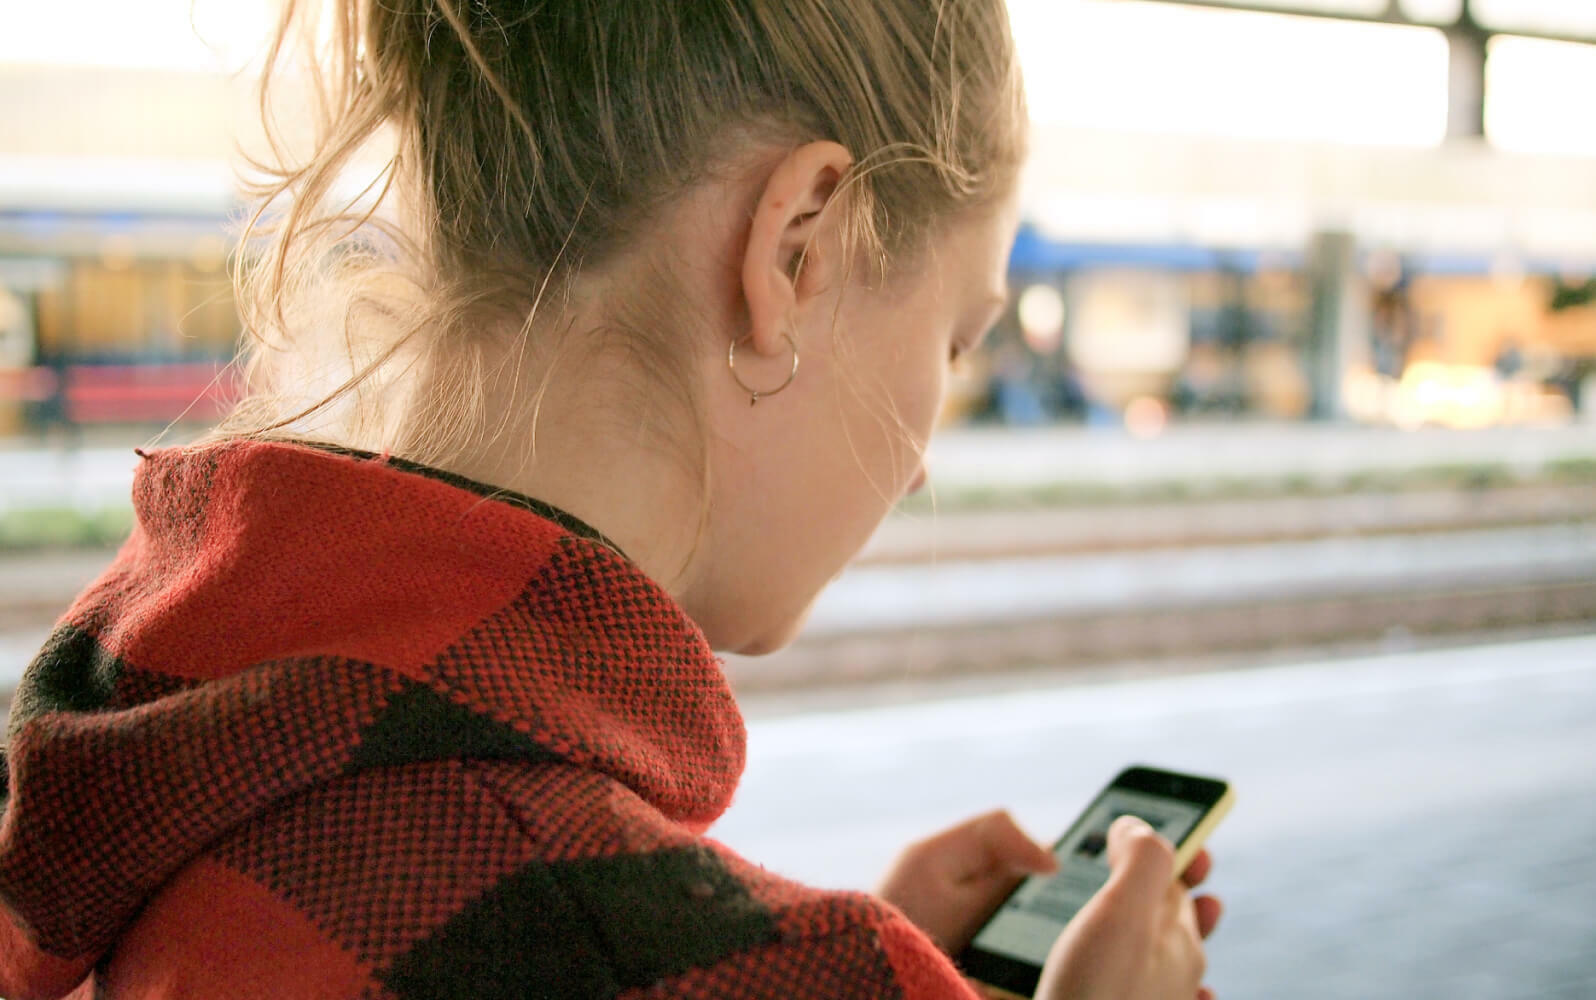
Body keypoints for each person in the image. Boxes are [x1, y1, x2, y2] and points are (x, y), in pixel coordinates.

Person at [0, 2, 1221, 998]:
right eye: (954, 343)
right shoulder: (682, 953)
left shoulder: (148, 749)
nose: (918, 464)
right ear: (796, 246)